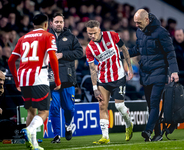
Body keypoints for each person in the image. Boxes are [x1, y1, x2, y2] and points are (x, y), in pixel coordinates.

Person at [122, 9, 179, 142]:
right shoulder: (139, 32)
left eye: (139, 22)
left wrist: (174, 71)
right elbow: (138, 49)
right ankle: (157, 134)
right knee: (150, 105)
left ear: (147, 20)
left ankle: (148, 131)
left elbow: (170, 53)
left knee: (154, 103)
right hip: (145, 73)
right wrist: (121, 55)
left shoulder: (161, 32)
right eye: (135, 23)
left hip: (159, 72)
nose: (136, 25)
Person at [8, 13, 61, 150]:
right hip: (39, 76)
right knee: (44, 112)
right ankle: (30, 130)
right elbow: (53, 58)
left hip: (24, 78)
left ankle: (34, 144)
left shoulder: (23, 38)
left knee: (31, 112)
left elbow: (10, 60)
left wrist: (16, 80)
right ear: (46, 25)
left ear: (33, 24)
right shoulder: (48, 36)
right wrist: (57, 79)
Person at [85, 20, 134, 144]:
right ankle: (105, 137)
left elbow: (124, 49)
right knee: (102, 106)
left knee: (119, 106)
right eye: (89, 33)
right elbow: (92, 69)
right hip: (103, 80)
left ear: (99, 30)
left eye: (94, 33)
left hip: (118, 78)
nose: (92, 36)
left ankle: (129, 124)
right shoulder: (89, 48)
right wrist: (95, 87)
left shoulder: (112, 35)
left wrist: (130, 68)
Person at [48, 13, 83, 143]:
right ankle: (56, 135)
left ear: (64, 23)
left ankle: (68, 125)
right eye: (56, 22)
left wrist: (62, 54)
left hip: (68, 78)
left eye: (61, 22)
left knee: (69, 107)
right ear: (51, 23)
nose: (58, 24)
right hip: (51, 78)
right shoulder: (46, 37)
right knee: (54, 107)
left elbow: (80, 52)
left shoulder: (70, 37)